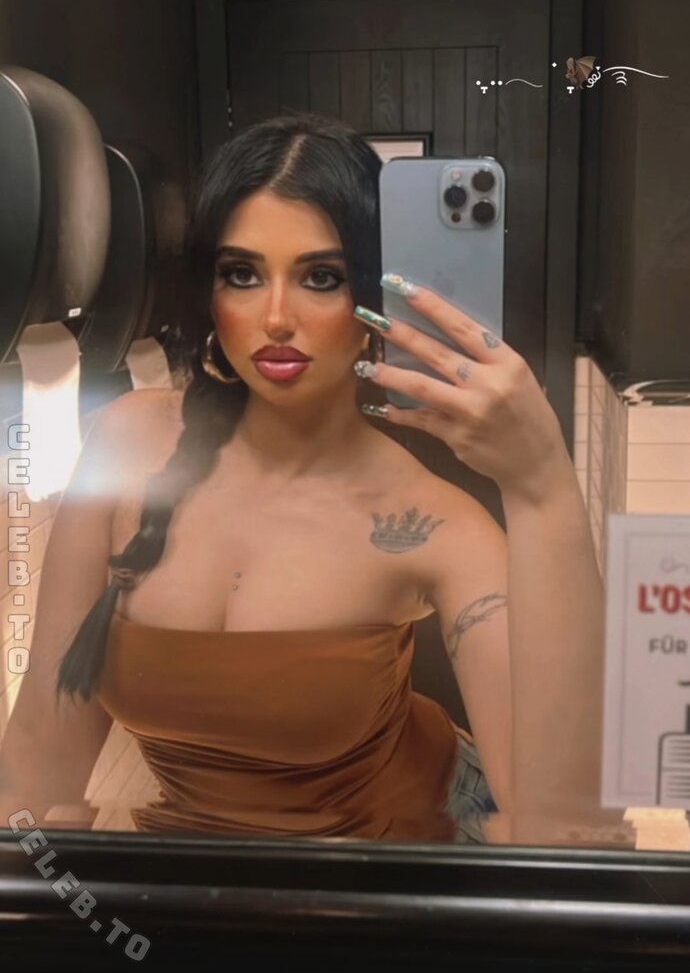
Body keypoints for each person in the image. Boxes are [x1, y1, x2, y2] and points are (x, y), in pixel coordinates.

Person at [0, 113, 627, 846]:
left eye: (321, 278)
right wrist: (51, 895)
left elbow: (568, 831)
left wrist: (542, 481)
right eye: (242, 274)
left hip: (407, 855)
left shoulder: (432, 523)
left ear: (375, 300)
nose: (275, 318)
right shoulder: (126, 443)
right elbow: (39, 756)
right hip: (200, 874)